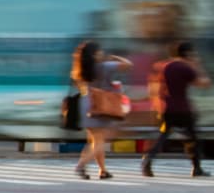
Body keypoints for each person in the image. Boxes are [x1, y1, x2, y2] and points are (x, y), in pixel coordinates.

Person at [142, 41, 211, 177]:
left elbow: (152, 88)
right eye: (193, 53)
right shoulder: (184, 68)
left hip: (164, 108)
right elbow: (204, 83)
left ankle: (147, 160)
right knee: (192, 138)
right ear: (188, 54)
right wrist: (198, 66)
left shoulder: (161, 66)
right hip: (182, 109)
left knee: (162, 136)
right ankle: (197, 168)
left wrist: (156, 103)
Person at [71, 41, 132, 179]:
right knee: (100, 141)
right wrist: (116, 58)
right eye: (99, 52)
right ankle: (81, 165)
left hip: (85, 103)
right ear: (95, 54)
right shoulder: (104, 66)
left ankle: (103, 171)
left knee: (94, 140)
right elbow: (129, 65)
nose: (102, 53)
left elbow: (79, 86)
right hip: (100, 105)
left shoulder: (78, 70)